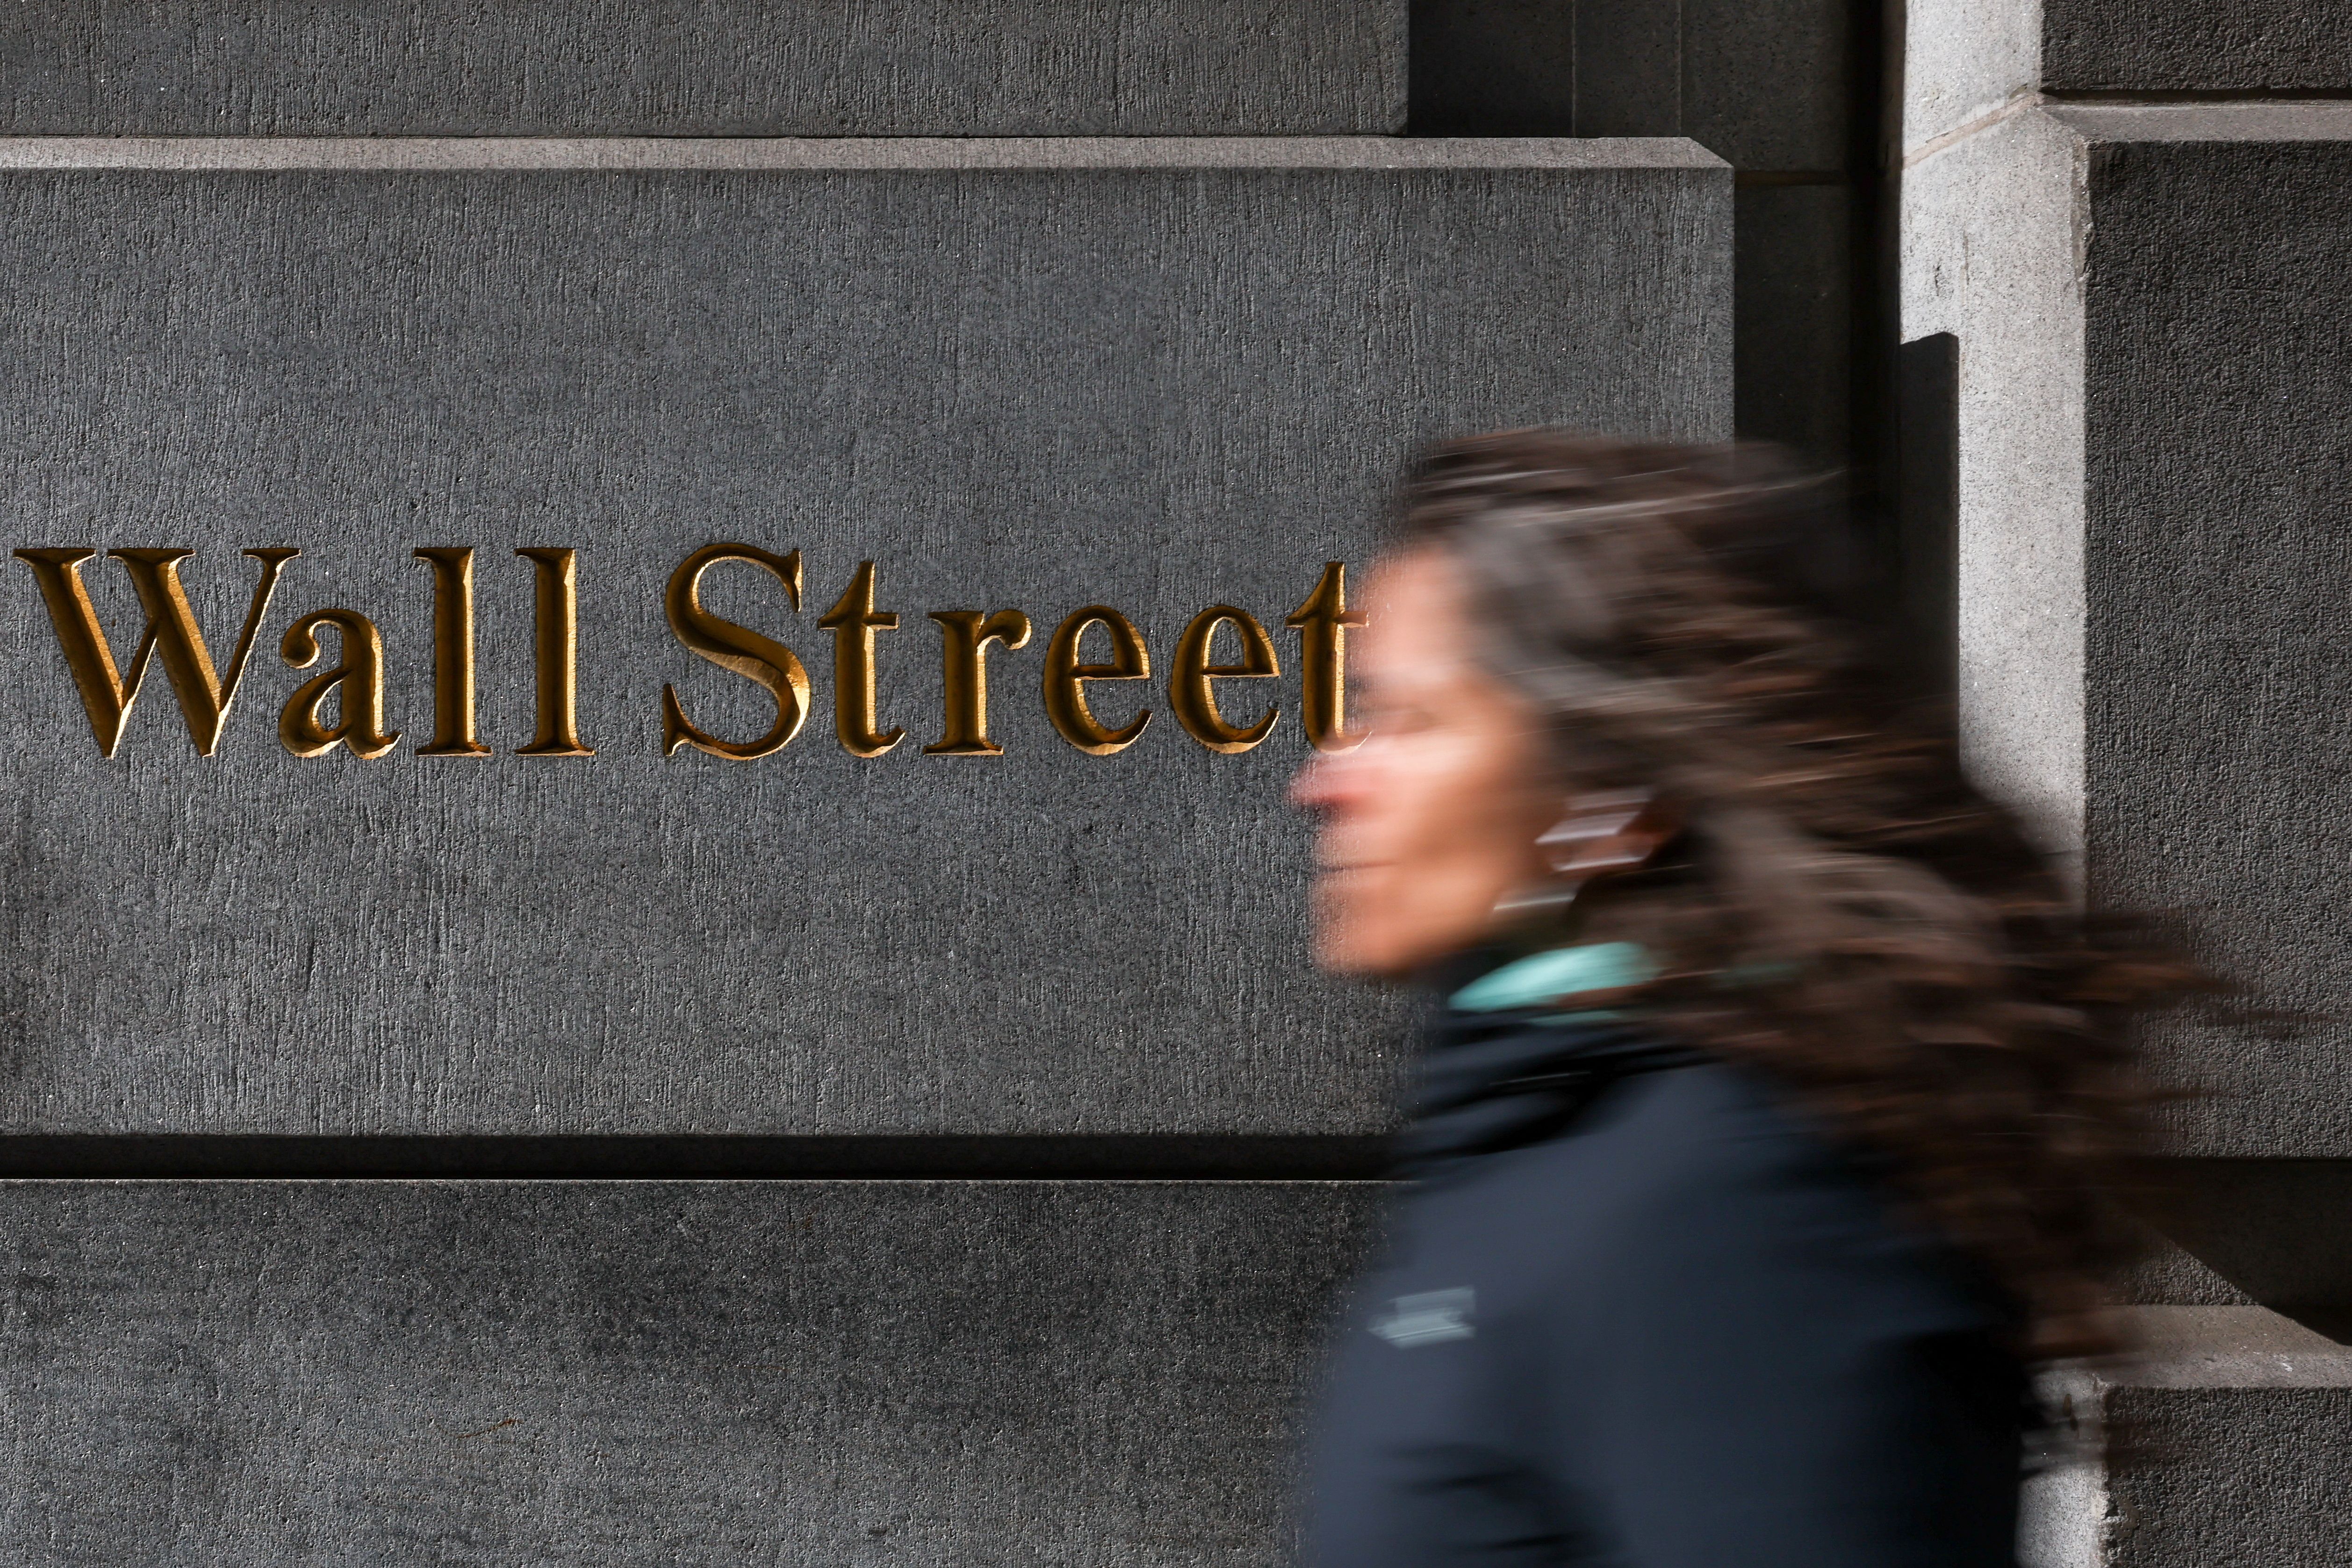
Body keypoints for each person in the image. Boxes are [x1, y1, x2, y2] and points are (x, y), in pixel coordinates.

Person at [1290, 431, 2186, 1568]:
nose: (1322, 778)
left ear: (1611, 801)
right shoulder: (1524, 1161)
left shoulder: (1736, 1214)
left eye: (1408, 721)